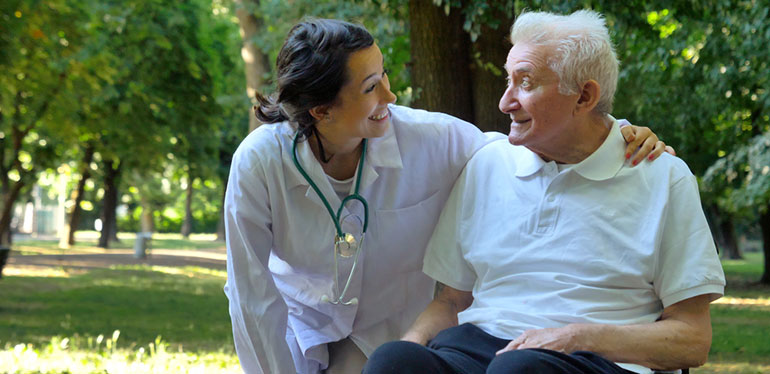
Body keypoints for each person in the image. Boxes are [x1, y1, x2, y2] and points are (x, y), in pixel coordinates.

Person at [224, 18, 668, 374]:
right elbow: (252, 296)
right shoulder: (260, 164)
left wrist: (614, 131)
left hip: (384, 332)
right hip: (302, 327)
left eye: (384, 76)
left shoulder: (430, 138)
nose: (391, 95)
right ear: (322, 111)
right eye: (369, 88)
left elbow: (522, 148)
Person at [363, 10, 725, 374]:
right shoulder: (487, 164)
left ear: (584, 96)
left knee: (518, 371)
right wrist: (408, 343)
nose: (505, 102)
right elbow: (452, 300)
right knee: (393, 361)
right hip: (478, 349)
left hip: (595, 358)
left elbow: (692, 339)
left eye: (526, 82)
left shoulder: (663, 178)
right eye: (508, 81)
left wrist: (576, 337)